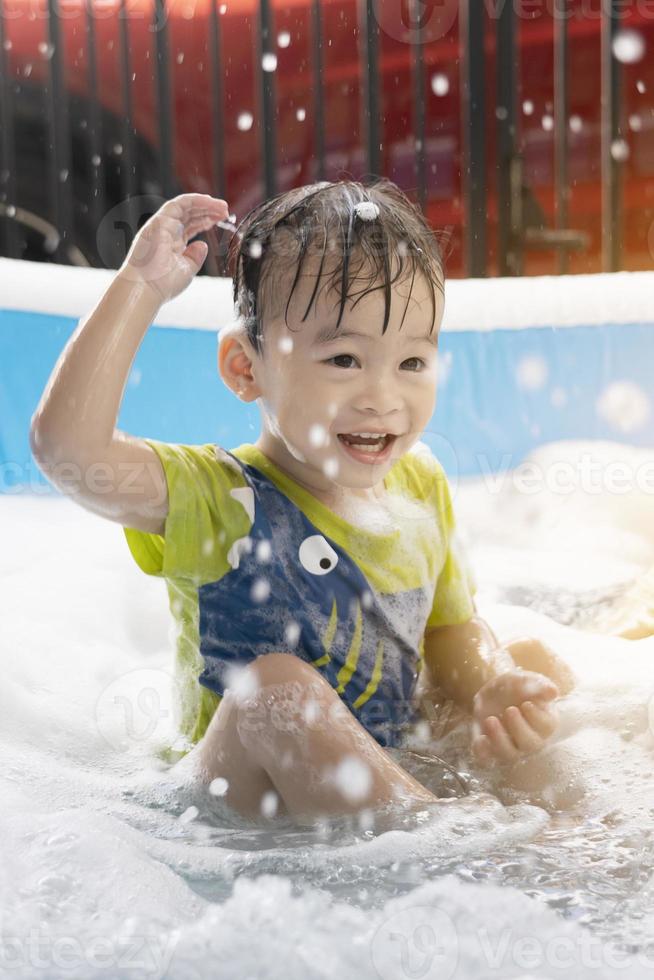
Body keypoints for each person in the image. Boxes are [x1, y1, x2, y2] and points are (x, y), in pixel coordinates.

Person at [30, 180, 575, 827]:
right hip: (231, 813)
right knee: (272, 692)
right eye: (344, 358)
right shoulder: (222, 499)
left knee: (533, 670)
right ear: (245, 368)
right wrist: (140, 287)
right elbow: (68, 448)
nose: (382, 396)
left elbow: (449, 630)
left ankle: (565, 832)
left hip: (376, 775)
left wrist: (490, 683)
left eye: (411, 361)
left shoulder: (419, 484)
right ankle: (468, 849)